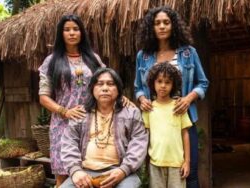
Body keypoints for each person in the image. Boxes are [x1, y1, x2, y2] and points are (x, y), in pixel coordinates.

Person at [134, 6, 209, 188]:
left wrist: (188, 98)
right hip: (156, 120)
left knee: (188, 172)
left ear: (173, 25)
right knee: (156, 170)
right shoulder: (143, 56)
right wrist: (142, 99)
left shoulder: (188, 53)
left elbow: (203, 83)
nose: (161, 26)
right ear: (151, 28)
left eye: (166, 22)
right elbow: (138, 87)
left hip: (183, 117)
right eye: (157, 23)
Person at [38, 14, 105, 187]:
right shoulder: (51, 61)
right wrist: (65, 111)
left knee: (91, 172)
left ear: (82, 32)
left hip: (91, 122)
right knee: (62, 174)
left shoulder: (93, 59)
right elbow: (43, 97)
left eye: (76, 29)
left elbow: (107, 82)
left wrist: (122, 98)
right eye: (66, 29)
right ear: (61, 34)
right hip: (62, 125)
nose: (72, 33)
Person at [60, 68, 149, 188]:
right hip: (85, 171)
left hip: (120, 171)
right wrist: (75, 171)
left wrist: (123, 170)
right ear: (92, 89)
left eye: (111, 84)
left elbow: (139, 143)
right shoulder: (80, 114)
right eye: (100, 84)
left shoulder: (131, 113)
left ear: (118, 90)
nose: (105, 88)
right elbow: (68, 143)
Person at [143, 62, 192, 188]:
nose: (163, 85)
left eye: (167, 82)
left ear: (173, 85)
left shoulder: (179, 106)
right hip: (155, 163)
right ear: (153, 83)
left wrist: (187, 161)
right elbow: (145, 136)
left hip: (177, 164)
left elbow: (185, 134)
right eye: (159, 81)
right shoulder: (149, 108)